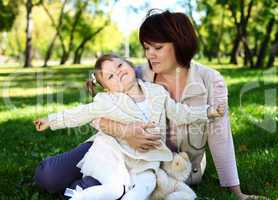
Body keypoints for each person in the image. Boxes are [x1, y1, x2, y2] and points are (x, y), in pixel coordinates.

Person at [34, 10, 261, 200]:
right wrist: (125, 132)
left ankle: (86, 187)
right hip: (113, 147)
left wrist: (236, 192)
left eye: (158, 48)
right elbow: (95, 114)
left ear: (179, 43)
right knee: (50, 177)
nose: (150, 54)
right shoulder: (138, 73)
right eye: (146, 47)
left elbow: (219, 134)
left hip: (152, 167)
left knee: (103, 190)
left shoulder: (211, 81)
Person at [34, 54, 224, 200]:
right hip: (112, 154)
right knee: (58, 177)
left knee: (144, 186)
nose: (118, 73)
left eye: (119, 65)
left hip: (144, 161)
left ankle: (82, 189)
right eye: (111, 76)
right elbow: (81, 113)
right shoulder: (108, 100)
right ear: (108, 88)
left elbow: (181, 112)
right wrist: (51, 121)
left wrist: (208, 112)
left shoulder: (157, 92)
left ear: (130, 65)